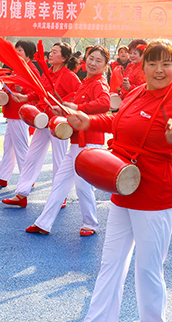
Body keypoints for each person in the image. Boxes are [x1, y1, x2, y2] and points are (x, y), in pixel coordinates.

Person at [57, 40, 172, 322]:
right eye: (153, 63)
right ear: (142, 67)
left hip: (157, 192)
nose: (159, 70)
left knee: (148, 266)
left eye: (166, 64)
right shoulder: (136, 93)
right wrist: (89, 121)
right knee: (110, 263)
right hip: (124, 187)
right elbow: (117, 123)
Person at [26, 45, 110, 236]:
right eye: (91, 58)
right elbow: (75, 109)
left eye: (99, 61)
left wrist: (76, 106)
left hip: (90, 142)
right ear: (85, 60)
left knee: (82, 185)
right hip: (77, 141)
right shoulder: (86, 81)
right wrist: (63, 110)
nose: (93, 63)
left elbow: (105, 103)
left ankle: (90, 224)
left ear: (105, 65)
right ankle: (44, 223)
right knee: (61, 181)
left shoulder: (99, 83)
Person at [1, 42, 80, 208]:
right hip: (43, 120)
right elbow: (39, 92)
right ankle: (22, 193)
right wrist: (26, 98)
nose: (50, 55)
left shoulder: (69, 76)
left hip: (60, 124)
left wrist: (64, 105)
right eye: (50, 52)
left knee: (59, 160)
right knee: (31, 156)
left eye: (55, 52)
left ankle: (60, 196)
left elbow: (78, 96)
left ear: (64, 58)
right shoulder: (47, 73)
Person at [0, 41, 38, 188]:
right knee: (8, 147)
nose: (17, 53)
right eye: (16, 50)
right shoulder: (19, 68)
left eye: (20, 50)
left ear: (28, 52)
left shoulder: (30, 69)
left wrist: (22, 91)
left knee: (21, 148)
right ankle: (3, 176)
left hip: (21, 113)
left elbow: (34, 93)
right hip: (13, 112)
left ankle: (28, 179)